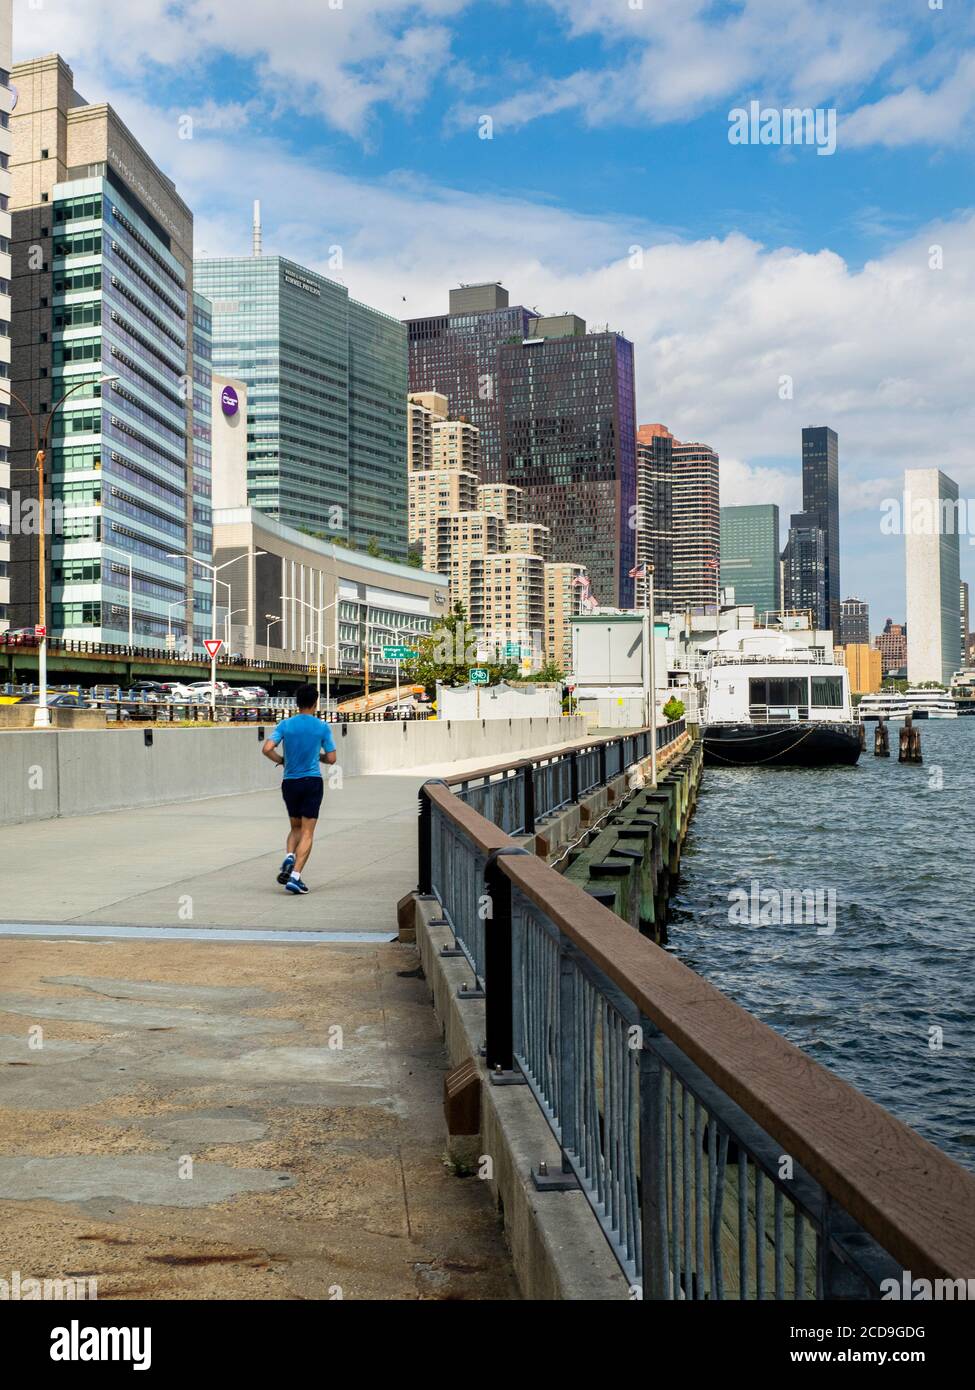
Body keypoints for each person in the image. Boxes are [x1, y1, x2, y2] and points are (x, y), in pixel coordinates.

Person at [262, 684, 337, 894]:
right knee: (307, 832)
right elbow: (332, 758)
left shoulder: (285, 725)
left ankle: (289, 857)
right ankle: (295, 877)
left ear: (297, 703)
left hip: (290, 782)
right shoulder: (322, 727)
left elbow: (267, 748)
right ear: (315, 703)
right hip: (311, 782)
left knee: (295, 827)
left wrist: (282, 761)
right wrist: (317, 756)